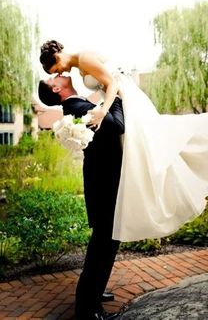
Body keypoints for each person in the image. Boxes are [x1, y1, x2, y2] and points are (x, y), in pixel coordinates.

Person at [39, 39, 208, 243]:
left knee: (155, 140)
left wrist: (102, 110)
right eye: (55, 75)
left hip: (122, 96)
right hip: (116, 99)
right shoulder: (80, 67)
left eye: (55, 69)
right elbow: (103, 86)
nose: (59, 73)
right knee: (146, 149)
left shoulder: (84, 58)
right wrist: (94, 106)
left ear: (57, 57)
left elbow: (112, 83)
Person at [38, 74, 124, 320]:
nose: (60, 74)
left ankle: (93, 293)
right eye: (53, 76)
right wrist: (116, 98)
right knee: (104, 244)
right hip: (104, 182)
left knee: (105, 242)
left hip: (101, 180)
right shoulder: (77, 107)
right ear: (56, 87)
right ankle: (87, 309)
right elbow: (117, 126)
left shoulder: (76, 105)